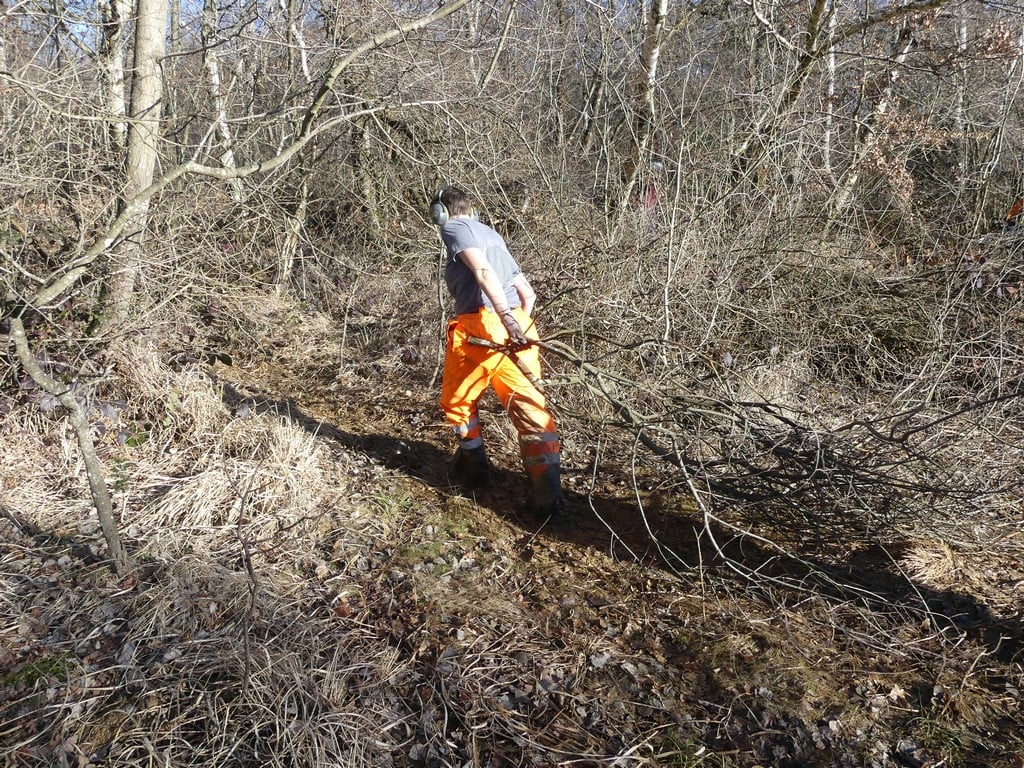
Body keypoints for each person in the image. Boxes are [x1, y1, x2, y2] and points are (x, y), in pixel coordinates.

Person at [429, 185, 564, 518]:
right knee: (531, 407)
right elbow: (528, 294)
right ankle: (546, 498)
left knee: (457, 399)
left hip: (483, 326)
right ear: (472, 209)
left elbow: (483, 271)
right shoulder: (492, 233)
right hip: (520, 325)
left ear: (440, 212)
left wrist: (500, 317)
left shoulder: (454, 228)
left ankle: (474, 470)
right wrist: (516, 325)